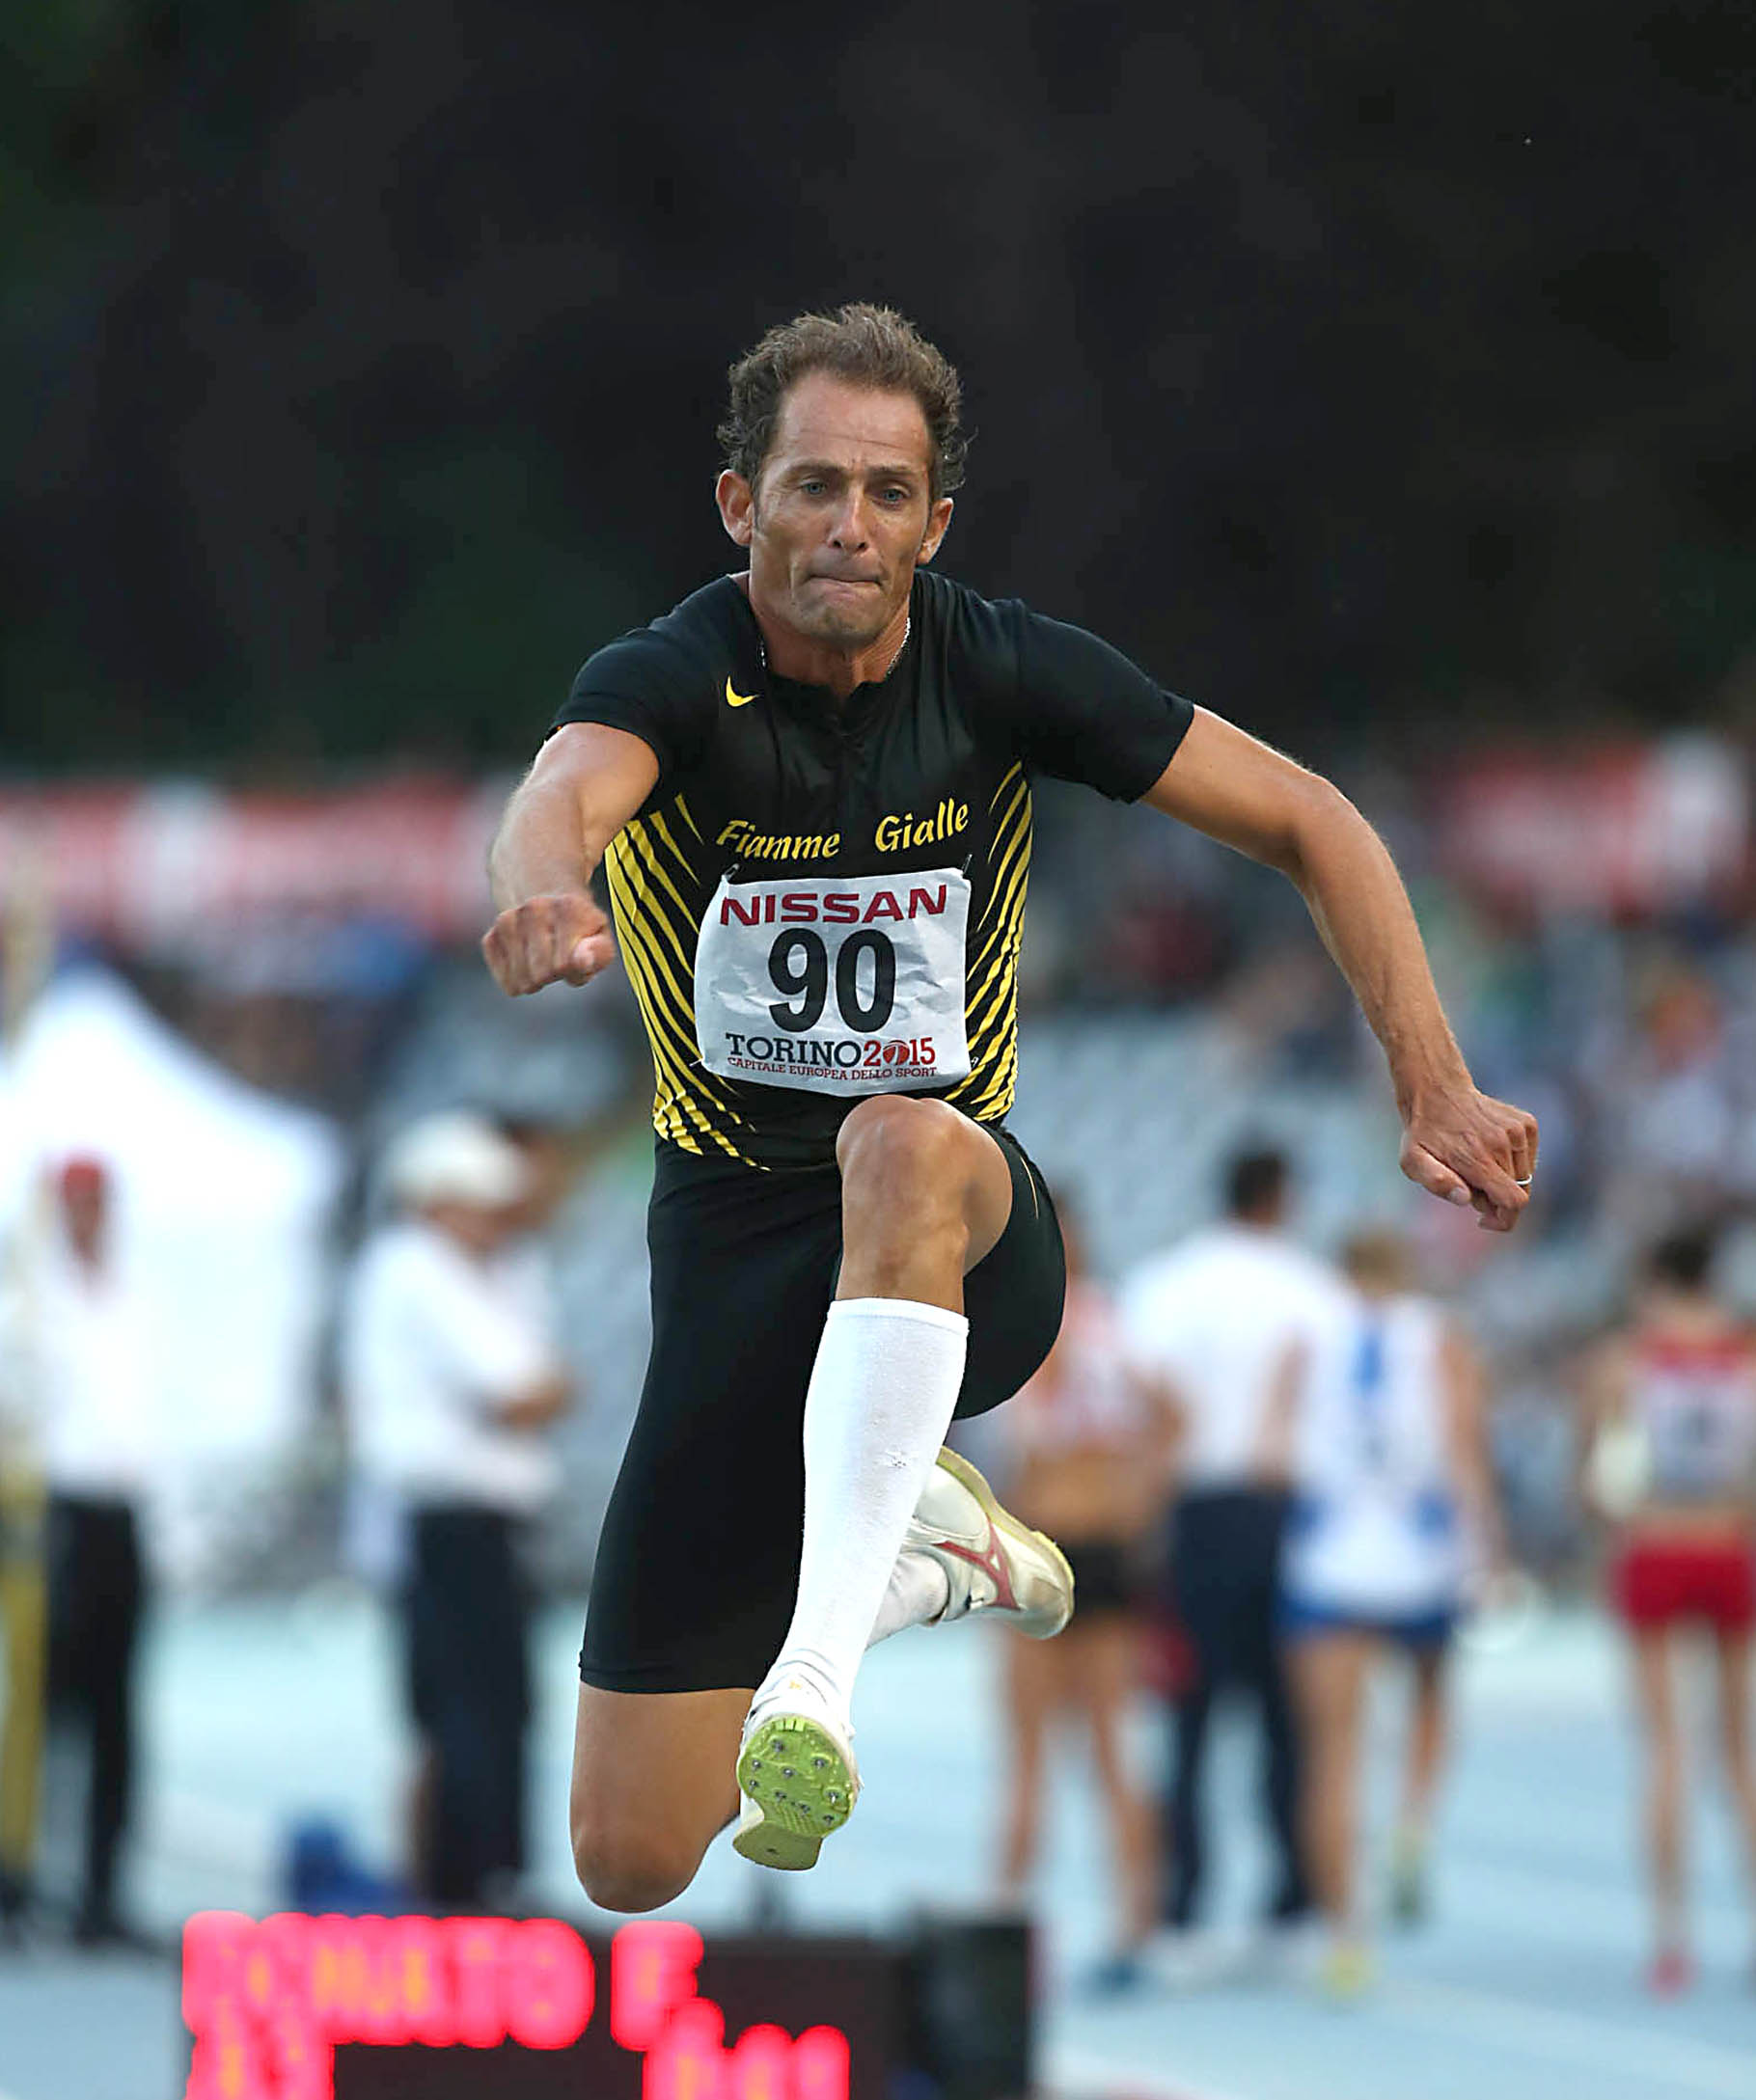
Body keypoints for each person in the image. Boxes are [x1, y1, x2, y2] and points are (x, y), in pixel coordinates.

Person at [480, 301, 1537, 1914]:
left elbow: (1313, 820)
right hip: (734, 1261)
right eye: (815, 484)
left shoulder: (1001, 668)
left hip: (966, 1234)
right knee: (629, 1857)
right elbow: (560, 791)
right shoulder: (674, 678)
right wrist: (546, 887)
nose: (851, 524)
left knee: (892, 1132)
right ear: (740, 504)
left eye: (889, 492)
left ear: (935, 522)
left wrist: (1433, 1075)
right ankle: (929, 1558)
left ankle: (817, 1681)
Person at [341, 1112, 571, 1909]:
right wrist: (540, 1391)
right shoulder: (416, 1267)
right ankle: (473, 1883)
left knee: (483, 1705)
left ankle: (473, 1877)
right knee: (473, 1706)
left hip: (470, 1523)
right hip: (450, 1522)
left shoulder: (479, 1272)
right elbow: (524, 1391)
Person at [1119, 1149, 1340, 1953]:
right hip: (1285, 1514)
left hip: (1197, 1514)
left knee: (1188, 1715)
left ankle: (1184, 1903)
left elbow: (1141, 1396)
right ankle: (1293, 1895)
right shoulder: (1314, 1290)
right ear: (1282, 1198)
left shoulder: (1167, 1284)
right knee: (1289, 1716)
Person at [1275, 1227, 1501, 1995]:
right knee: (1431, 1695)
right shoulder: (1438, 1337)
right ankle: (1412, 1815)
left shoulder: (1307, 1337)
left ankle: (1345, 1939)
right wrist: (1487, 1547)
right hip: (1418, 1552)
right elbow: (1465, 1447)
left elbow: (1275, 1446)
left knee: (1331, 1757)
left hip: (1330, 1556)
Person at [991, 1212, 1178, 1987]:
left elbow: (1032, 1435)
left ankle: (1008, 1926)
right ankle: (1131, 1926)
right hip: (1097, 1547)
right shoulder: (1115, 1326)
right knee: (1102, 1750)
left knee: (1039, 1755)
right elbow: (1171, 1416)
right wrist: (1143, 1503)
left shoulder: (1038, 1325)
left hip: (1050, 1545)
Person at [1583, 1228, 1756, 1993]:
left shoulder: (1625, 1360)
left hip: (1655, 1545)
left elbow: (1598, 1477)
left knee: (1664, 1750)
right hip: (1728, 1545)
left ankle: (1670, 1938)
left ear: (1655, 1279)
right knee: (1739, 1752)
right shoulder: (1745, 1354)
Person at [32, 1159, 153, 1945]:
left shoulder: (132, 1289)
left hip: (120, 1507)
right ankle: (25, 1880)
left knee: (115, 1712)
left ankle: (101, 1890)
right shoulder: (28, 1294)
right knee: (45, 1706)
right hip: (56, 1507)